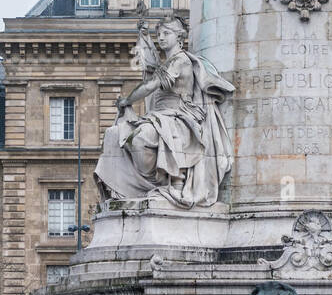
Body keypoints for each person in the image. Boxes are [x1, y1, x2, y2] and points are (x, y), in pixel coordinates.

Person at [94, 17, 233, 208]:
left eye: (166, 33)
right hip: (160, 117)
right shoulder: (166, 64)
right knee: (114, 134)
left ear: (179, 37)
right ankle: (138, 187)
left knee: (141, 137)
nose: (161, 38)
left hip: (179, 118)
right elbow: (151, 73)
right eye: (159, 34)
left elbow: (151, 85)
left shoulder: (180, 60)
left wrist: (127, 100)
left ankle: (168, 181)